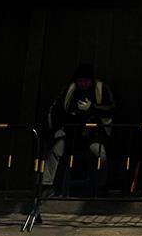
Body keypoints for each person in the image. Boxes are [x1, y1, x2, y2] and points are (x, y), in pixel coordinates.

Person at [41, 63, 115, 195]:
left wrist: (92, 108)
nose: (83, 84)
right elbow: (57, 109)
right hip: (71, 133)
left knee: (99, 153)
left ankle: (100, 187)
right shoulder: (70, 90)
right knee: (56, 149)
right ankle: (47, 185)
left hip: (94, 133)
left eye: (86, 81)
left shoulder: (101, 88)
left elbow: (111, 108)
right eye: (80, 81)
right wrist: (58, 127)